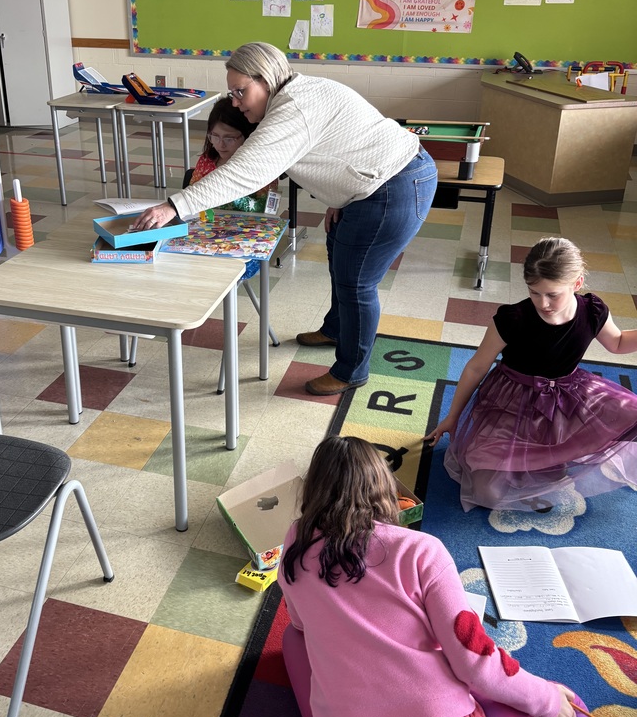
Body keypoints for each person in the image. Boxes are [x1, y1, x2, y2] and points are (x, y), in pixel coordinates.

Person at [279, 435, 592, 717]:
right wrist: (546, 699)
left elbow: (301, 623)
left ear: (313, 491)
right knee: (569, 705)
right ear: (384, 488)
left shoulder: (295, 542)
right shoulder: (421, 549)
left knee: (292, 636)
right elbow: (476, 664)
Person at [132, 42, 438, 396]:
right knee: (340, 258)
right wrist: (342, 193)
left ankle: (351, 370)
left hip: (393, 186)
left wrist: (173, 205)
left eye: (241, 91)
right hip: (373, 184)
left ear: (267, 79)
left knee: (357, 283)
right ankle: (336, 329)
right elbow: (340, 145)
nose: (235, 101)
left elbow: (241, 174)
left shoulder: (293, 109)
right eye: (232, 92)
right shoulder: (297, 93)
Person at [427, 236, 637, 512]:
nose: (543, 302)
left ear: (577, 283)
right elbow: (477, 366)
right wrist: (453, 416)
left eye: (552, 294)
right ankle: (532, 456)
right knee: (486, 494)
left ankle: (545, 453)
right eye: (534, 292)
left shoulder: (592, 310)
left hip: (567, 396)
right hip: (511, 400)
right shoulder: (513, 318)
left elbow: (618, 343)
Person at [189, 97, 274, 213]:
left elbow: (264, 208)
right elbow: (192, 195)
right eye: (214, 136)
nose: (221, 145)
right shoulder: (207, 160)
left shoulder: (261, 165)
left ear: (248, 135)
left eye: (229, 138)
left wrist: (227, 192)